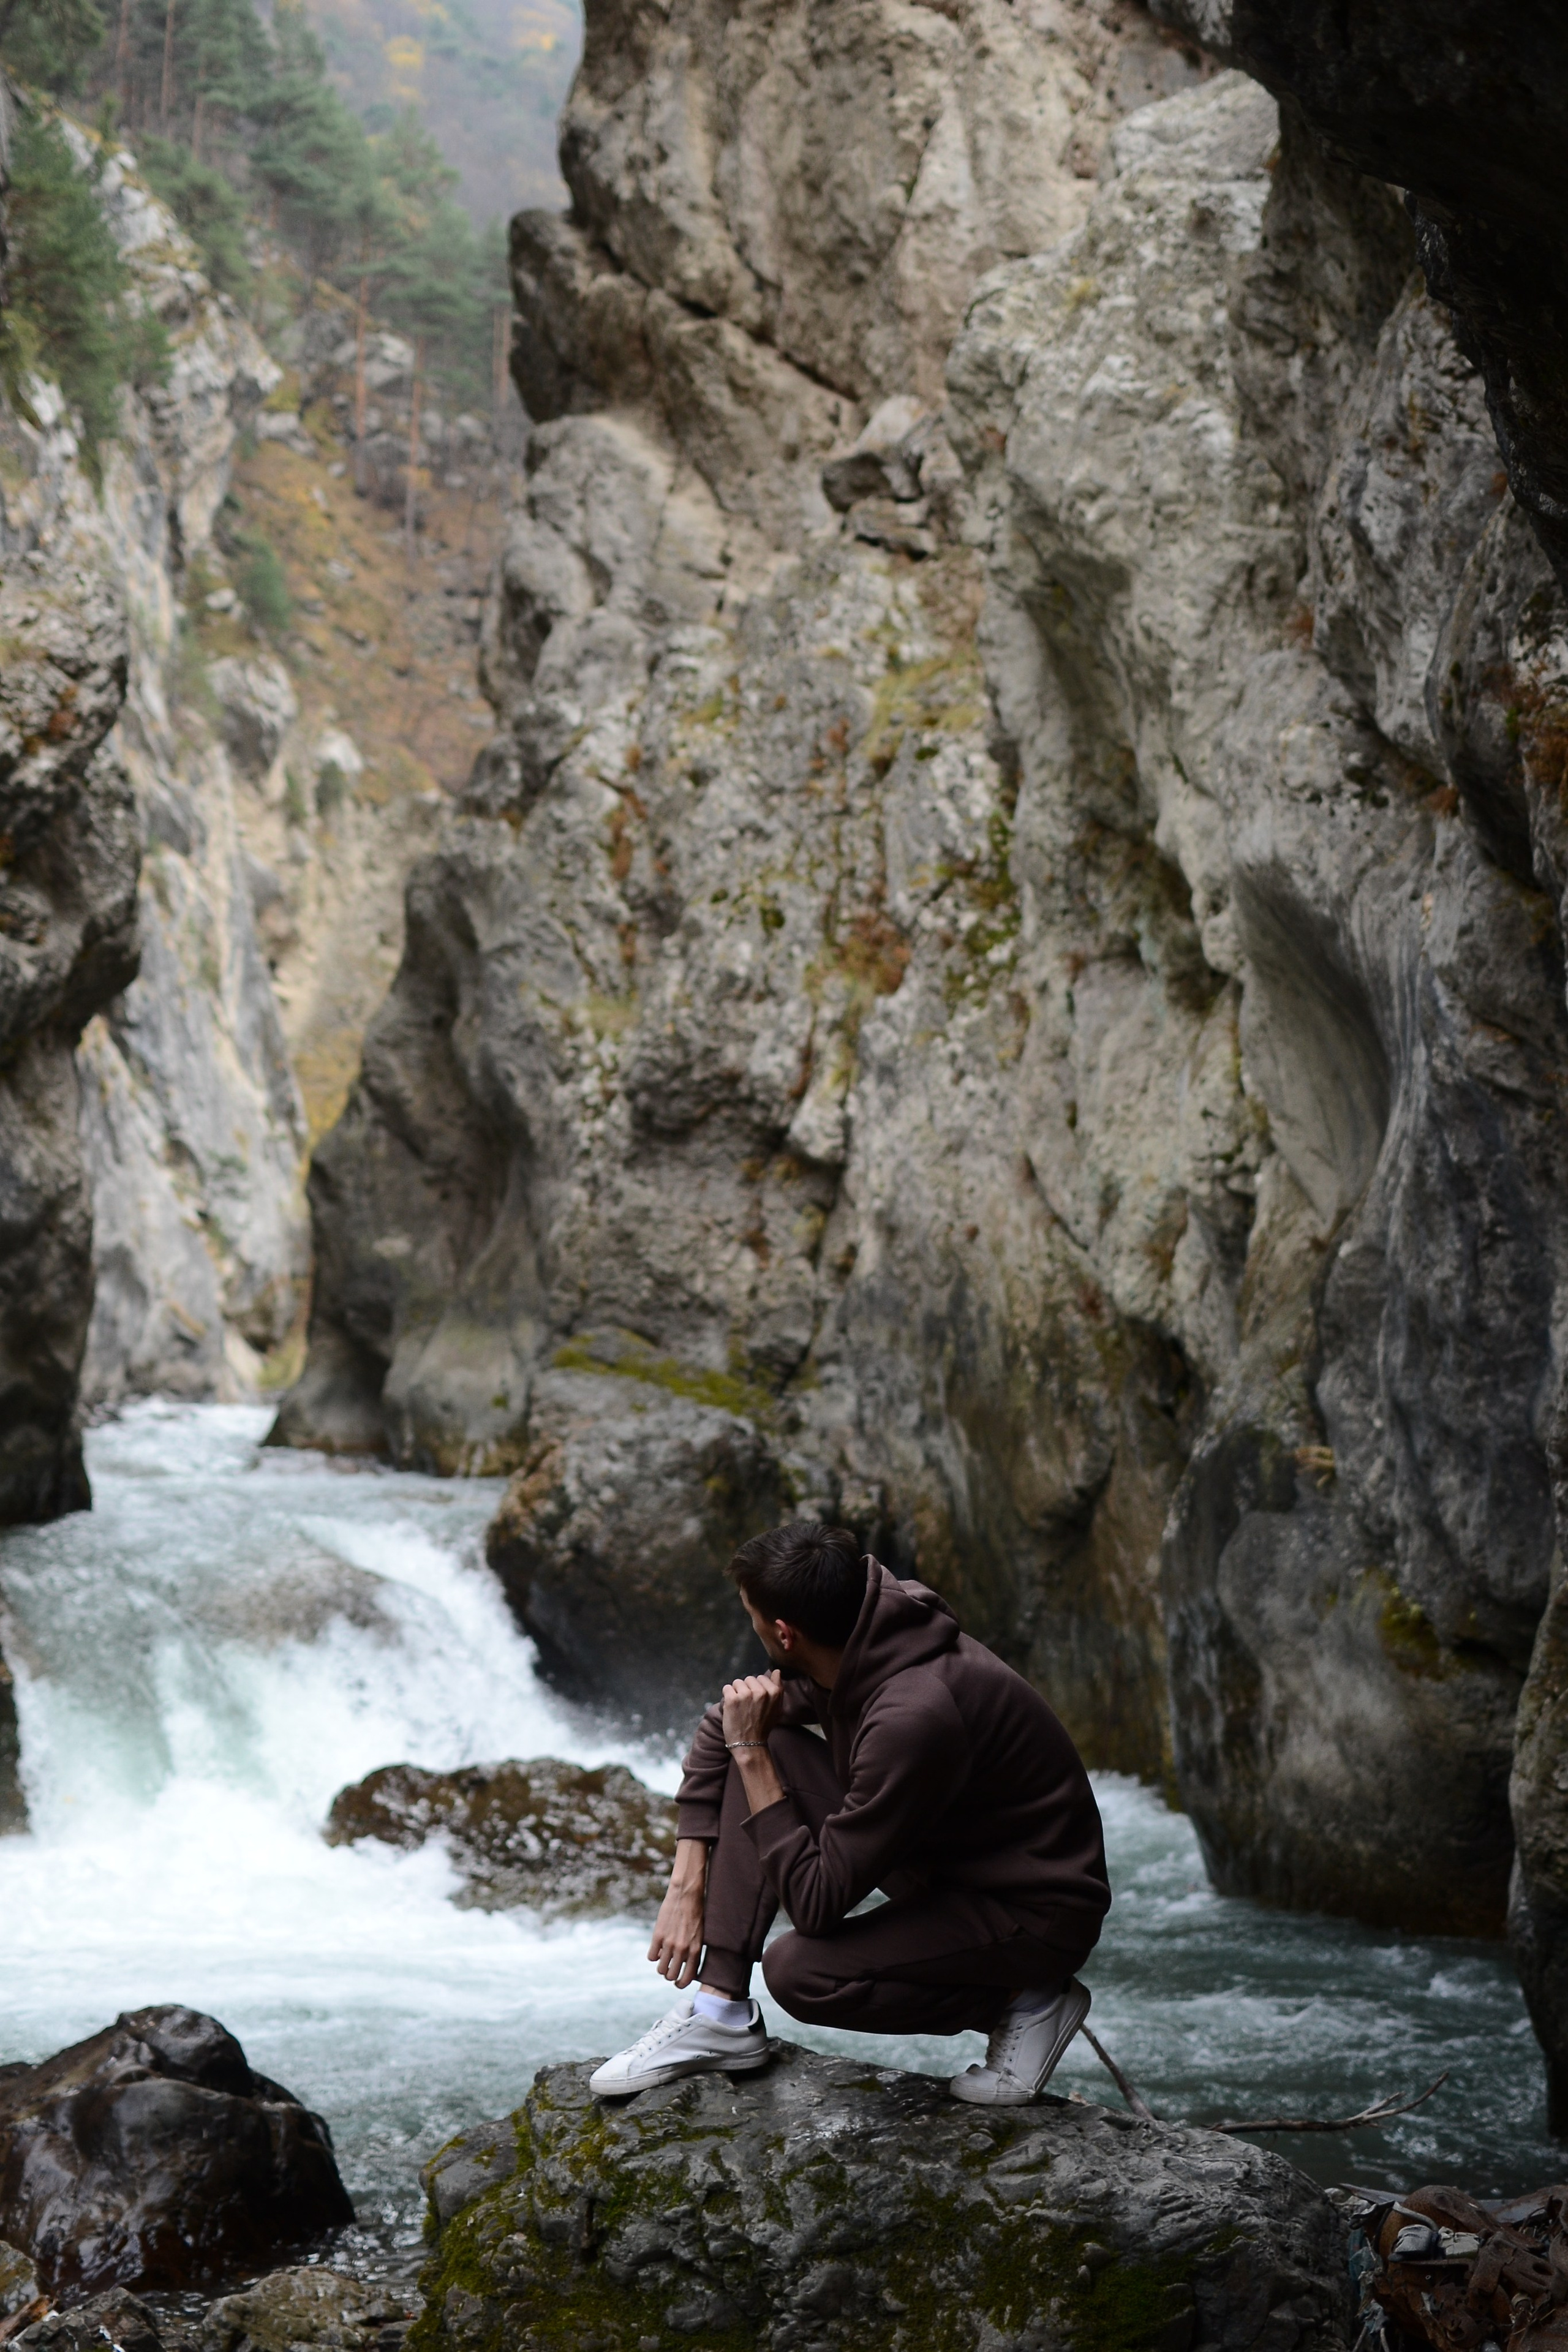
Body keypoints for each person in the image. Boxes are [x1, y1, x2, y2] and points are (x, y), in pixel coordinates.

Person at [589, 1521, 1111, 2105]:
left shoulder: (912, 1714)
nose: (753, 1629)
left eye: (753, 1619)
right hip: (950, 1863)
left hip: (1033, 1911)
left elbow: (814, 1906)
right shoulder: (860, 1633)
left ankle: (1025, 2002)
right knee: (760, 1740)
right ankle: (720, 2011)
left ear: (784, 1634)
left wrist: (754, 1755)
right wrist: (686, 1884)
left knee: (802, 1971)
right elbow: (724, 1722)